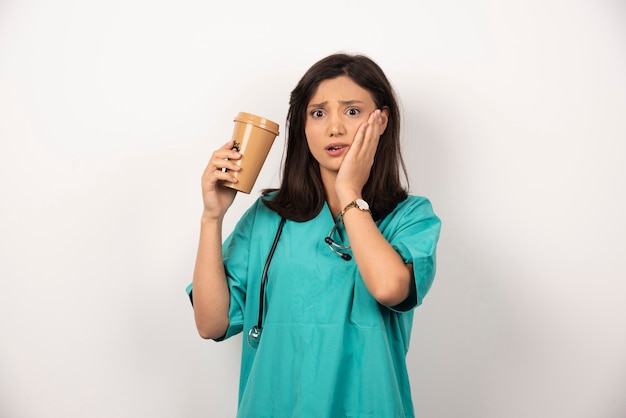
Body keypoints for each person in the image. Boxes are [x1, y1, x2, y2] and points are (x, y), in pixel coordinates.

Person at [187, 52, 441, 417]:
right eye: (318, 113)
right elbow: (212, 323)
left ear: (381, 120)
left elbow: (390, 289)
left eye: (352, 111)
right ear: (303, 127)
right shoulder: (269, 217)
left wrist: (349, 194)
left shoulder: (410, 216)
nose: (334, 128)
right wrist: (212, 217)